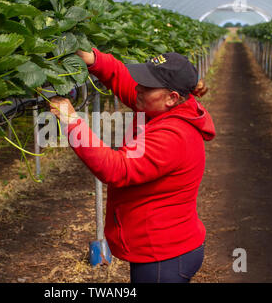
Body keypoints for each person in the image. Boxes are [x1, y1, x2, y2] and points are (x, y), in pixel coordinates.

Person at [49, 48, 216, 283]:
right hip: (164, 248)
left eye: (147, 86)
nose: (138, 88)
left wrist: (70, 120)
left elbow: (115, 169)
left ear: (172, 97)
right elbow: (122, 78)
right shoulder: (162, 107)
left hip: (164, 257)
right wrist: (94, 59)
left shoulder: (174, 136)